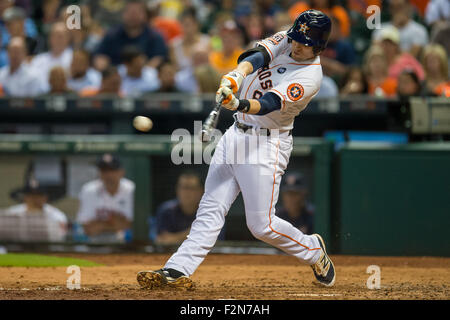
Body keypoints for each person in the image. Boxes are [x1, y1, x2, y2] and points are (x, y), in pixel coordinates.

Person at [137, 10, 336, 290]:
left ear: (319, 46)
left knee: (261, 226)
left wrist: (238, 103)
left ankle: (313, 249)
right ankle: (177, 268)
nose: (296, 45)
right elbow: (257, 57)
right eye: (295, 39)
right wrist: (235, 75)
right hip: (236, 134)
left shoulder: (310, 77)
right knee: (211, 206)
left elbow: (267, 104)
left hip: (267, 143)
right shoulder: (288, 38)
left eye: (304, 42)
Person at [151, 172, 224, 245]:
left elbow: (215, 242)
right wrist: (196, 233)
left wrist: (175, 238)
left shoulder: (211, 212)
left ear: (201, 191)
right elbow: (160, 240)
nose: (187, 192)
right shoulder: (166, 210)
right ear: (177, 190)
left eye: (192, 188)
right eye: (184, 187)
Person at [93, 0, 168, 71]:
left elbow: (159, 58)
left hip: (144, 77)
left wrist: (140, 71)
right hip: (115, 74)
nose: (133, 16)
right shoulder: (112, 35)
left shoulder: (155, 36)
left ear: (145, 15)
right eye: (130, 12)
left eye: (137, 13)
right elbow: (100, 56)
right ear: (123, 14)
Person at [76, 154, 135, 243]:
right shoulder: (89, 190)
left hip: (127, 245)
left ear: (121, 172)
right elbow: (88, 229)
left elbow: (135, 226)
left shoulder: (131, 189)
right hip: (95, 244)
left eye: (112, 170)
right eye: (104, 170)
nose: (108, 175)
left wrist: (101, 224)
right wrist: (116, 224)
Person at [1, 178, 68, 241]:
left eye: (39, 195)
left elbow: (60, 237)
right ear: (25, 197)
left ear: (45, 197)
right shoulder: (12, 212)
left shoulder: (57, 215)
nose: (35, 198)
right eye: (31, 195)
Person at [29, 21, 73, 93]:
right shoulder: (38, 60)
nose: (58, 39)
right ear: (50, 38)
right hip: (42, 99)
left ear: (68, 38)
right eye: (54, 35)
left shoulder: (74, 59)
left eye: (61, 36)